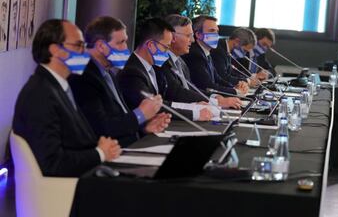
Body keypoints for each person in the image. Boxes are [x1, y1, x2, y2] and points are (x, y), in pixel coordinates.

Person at [12, 19, 121, 177]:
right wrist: (99, 153)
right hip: (69, 189)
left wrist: (101, 148)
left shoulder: (58, 87)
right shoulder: (40, 94)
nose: (85, 53)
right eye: (78, 46)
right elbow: (52, 163)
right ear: (55, 50)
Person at [69, 16, 170, 147]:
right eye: (120, 42)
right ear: (100, 46)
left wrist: (144, 128)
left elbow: (119, 118)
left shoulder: (108, 72)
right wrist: (140, 114)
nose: (125, 48)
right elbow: (100, 127)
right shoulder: (83, 76)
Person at [118, 17, 213, 121]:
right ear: (151, 45)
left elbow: (162, 102)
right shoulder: (132, 71)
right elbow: (153, 107)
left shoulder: (151, 67)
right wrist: (195, 113)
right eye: (166, 47)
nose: (168, 52)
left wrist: (193, 106)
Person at [163, 14, 241, 109]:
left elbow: (191, 87)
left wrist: (214, 97)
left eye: (217, 31)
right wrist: (216, 101)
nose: (192, 40)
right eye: (188, 35)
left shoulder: (180, 61)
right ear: (172, 36)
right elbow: (179, 93)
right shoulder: (164, 61)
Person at [181, 15, 249, 96]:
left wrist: (235, 86)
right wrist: (235, 91)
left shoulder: (206, 53)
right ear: (198, 35)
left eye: (217, 31)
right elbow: (207, 85)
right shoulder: (195, 54)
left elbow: (218, 79)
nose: (216, 35)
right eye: (212, 31)